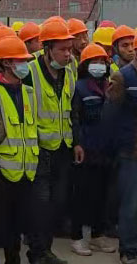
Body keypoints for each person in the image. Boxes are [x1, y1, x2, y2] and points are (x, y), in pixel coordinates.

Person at [0, 36, 39, 264]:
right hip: (1, 173)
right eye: (20, 60)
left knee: (16, 227)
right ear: (6, 63)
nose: (24, 65)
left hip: (26, 172)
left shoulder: (28, 92)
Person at [25, 21, 76, 264]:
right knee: (40, 205)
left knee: (57, 203)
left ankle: (45, 249)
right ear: (47, 49)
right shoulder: (30, 71)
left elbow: (73, 108)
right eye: (62, 49)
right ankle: (38, 252)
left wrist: (77, 141)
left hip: (62, 148)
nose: (68, 54)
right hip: (38, 149)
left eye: (70, 49)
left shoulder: (70, 69)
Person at [69, 44, 116, 257]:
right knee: (82, 195)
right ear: (85, 65)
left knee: (102, 195)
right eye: (94, 62)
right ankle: (77, 237)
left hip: (106, 150)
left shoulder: (110, 86)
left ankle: (98, 235)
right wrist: (77, 143)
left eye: (102, 62)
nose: (99, 65)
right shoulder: (79, 88)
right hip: (86, 149)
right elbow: (75, 118)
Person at [103, 35, 137, 264]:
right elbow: (110, 117)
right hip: (130, 152)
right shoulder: (123, 77)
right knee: (131, 205)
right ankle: (128, 249)